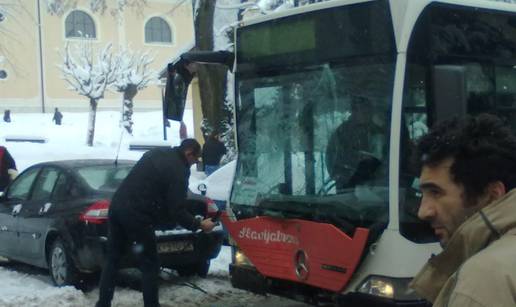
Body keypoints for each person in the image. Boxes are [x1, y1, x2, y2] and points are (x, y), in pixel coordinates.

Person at [409, 114, 516, 307]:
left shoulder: (481, 280)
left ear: (492, 195)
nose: (423, 212)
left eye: (436, 192)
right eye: (422, 194)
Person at [96, 139, 216, 307]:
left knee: (112, 259)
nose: (194, 164)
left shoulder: (157, 153)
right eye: (195, 160)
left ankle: (103, 303)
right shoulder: (179, 170)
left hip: (117, 206)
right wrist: (200, 225)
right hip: (138, 214)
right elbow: (177, 209)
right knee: (150, 263)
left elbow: (151, 187)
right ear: (189, 153)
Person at [325, 97, 386, 191]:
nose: (366, 114)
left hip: (376, 187)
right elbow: (332, 159)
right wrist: (356, 159)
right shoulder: (342, 132)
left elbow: (387, 158)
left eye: (368, 110)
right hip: (347, 187)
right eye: (362, 110)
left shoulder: (378, 132)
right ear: (354, 111)